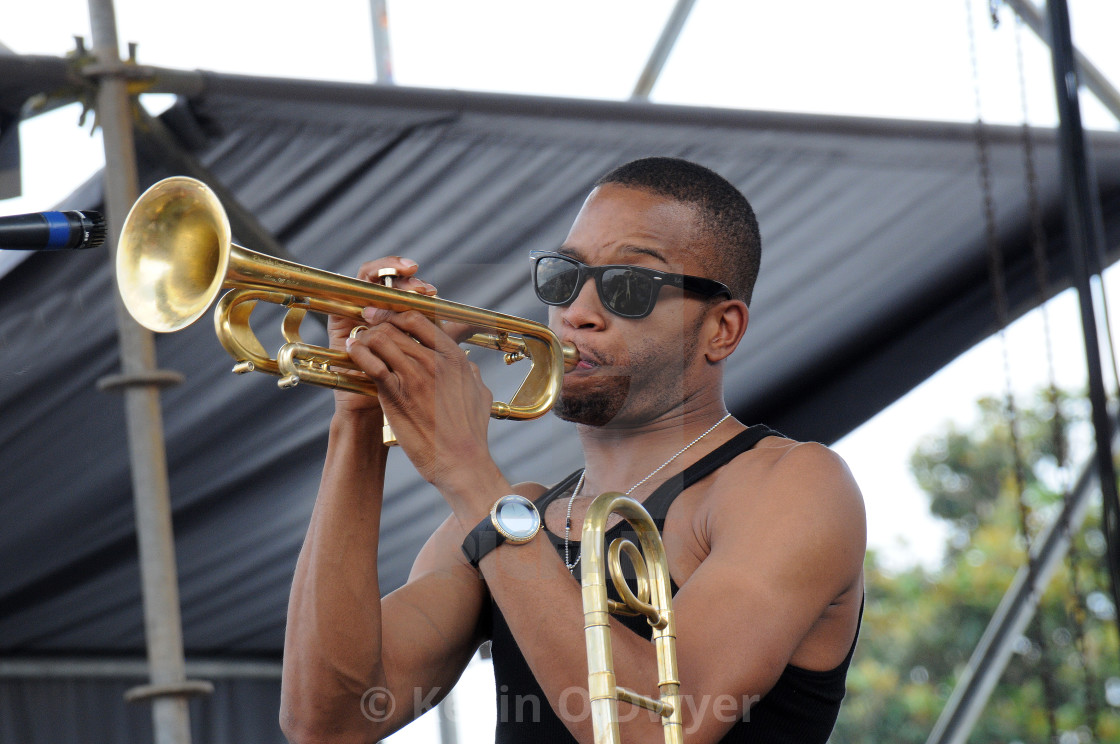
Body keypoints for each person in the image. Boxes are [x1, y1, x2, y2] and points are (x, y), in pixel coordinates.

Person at [279, 157, 866, 744]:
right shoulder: (521, 513)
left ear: (722, 329)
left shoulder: (794, 484)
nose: (577, 314)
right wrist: (357, 415)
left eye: (629, 286)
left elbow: (654, 730)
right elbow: (327, 720)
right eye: (564, 277)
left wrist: (468, 472)